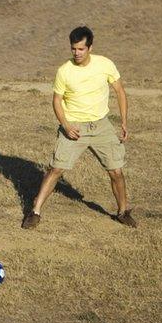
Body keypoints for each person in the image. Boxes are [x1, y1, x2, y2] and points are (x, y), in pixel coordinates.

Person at [22, 26, 136, 229]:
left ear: (90, 47)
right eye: (73, 49)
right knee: (56, 169)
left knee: (116, 171)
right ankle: (35, 212)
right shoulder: (64, 71)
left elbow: (120, 91)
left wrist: (124, 122)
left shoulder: (105, 64)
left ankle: (123, 212)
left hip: (102, 126)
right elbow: (56, 100)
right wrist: (66, 126)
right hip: (74, 127)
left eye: (81, 49)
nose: (76, 53)